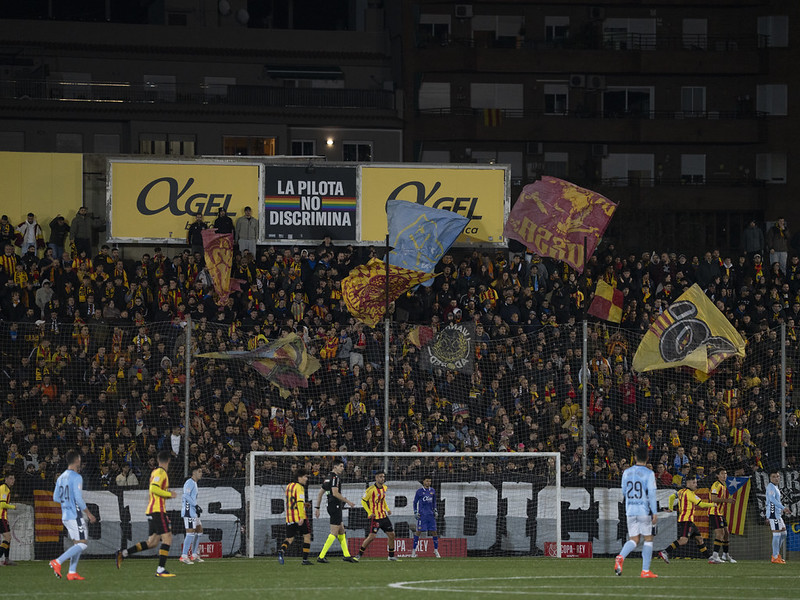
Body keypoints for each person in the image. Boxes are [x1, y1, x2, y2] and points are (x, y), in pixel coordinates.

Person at [115, 450, 177, 577]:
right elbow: (153, 488)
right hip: (157, 510)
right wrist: (169, 494)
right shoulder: (160, 472)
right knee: (168, 538)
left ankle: (124, 553)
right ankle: (160, 570)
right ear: (168, 460)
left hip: (153, 510)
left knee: (152, 543)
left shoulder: (155, 472)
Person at [49, 450, 98, 580]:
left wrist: (66, 502)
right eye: (80, 459)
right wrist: (89, 513)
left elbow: (55, 497)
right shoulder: (76, 477)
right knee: (83, 543)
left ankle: (72, 572)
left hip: (65, 515)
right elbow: (78, 498)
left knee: (77, 544)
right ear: (77, 460)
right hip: (75, 515)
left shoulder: (61, 477)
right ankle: (57, 561)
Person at [614, 446, 658, 578]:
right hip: (643, 510)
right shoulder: (649, 473)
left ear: (635, 457)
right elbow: (651, 493)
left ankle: (620, 556)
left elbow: (623, 492)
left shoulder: (626, 472)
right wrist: (654, 512)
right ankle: (645, 571)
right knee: (648, 538)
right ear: (647, 458)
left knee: (634, 539)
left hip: (630, 510)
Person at [659, 472, 713, 563]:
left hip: (688, 521)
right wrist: (714, 504)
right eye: (694, 483)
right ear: (688, 483)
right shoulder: (690, 494)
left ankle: (710, 558)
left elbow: (671, 497)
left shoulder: (680, 492)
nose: (696, 485)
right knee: (683, 540)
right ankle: (664, 552)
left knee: (699, 539)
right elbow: (702, 504)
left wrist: (671, 508)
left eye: (696, 483)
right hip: (686, 521)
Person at [314, 459, 358, 563]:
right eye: (341, 466)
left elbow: (320, 494)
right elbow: (335, 493)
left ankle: (346, 555)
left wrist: (317, 508)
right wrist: (348, 501)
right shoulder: (335, 478)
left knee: (341, 530)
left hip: (331, 506)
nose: (343, 468)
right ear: (335, 467)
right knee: (334, 532)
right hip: (335, 506)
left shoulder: (327, 478)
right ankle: (321, 556)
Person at [358, 470, 398, 561]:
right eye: (380, 476)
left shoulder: (384, 488)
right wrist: (369, 512)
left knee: (392, 535)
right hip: (375, 518)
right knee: (372, 537)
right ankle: (359, 554)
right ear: (376, 478)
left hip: (384, 516)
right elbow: (363, 501)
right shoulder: (370, 490)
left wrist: (387, 509)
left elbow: (382, 500)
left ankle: (391, 556)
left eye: (383, 476)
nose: (382, 478)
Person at [278, 468, 312, 565]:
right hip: (299, 517)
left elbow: (292, 502)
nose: (306, 479)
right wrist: (301, 517)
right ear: (299, 477)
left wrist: (305, 504)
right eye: (305, 477)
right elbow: (299, 503)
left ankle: (281, 550)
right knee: (307, 536)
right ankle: (305, 560)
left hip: (289, 517)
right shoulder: (300, 487)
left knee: (290, 538)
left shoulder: (289, 486)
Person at [709, 467, 736, 563]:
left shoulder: (723, 485)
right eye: (722, 473)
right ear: (717, 475)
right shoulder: (716, 485)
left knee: (726, 533)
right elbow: (713, 498)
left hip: (720, 513)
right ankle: (714, 556)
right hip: (714, 512)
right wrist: (727, 500)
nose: (724, 475)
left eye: (725, 473)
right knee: (720, 534)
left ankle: (725, 555)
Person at [180, 465, 205, 565]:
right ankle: (184, 556)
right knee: (190, 533)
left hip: (193, 511)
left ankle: (194, 555)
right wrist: (196, 505)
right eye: (199, 471)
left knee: (199, 531)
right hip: (188, 511)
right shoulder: (189, 482)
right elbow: (185, 495)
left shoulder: (194, 483)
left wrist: (196, 508)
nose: (201, 473)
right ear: (194, 472)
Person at [411, 475, 440, 558]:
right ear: (423, 481)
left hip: (431, 515)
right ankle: (414, 551)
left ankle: (436, 550)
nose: (428, 482)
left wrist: (435, 510)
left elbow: (434, 502)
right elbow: (415, 502)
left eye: (430, 481)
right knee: (418, 532)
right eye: (427, 481)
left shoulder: (432, 491)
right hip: (422, 515)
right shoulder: (419, 491)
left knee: (434, 532)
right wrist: (415, 512)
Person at [765, 470, 789, 563]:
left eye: (777, 476)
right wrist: (783, 508)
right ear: (770, 478)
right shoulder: (771, 487)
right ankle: (775, 557)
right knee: (777, 534)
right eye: (774, 477)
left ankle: (776, 554)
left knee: (783, 533)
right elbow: (771, 499)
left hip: (777, 514)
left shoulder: (775, 487)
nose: (776, 478)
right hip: (773, 513)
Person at [0, 471, 16, 566]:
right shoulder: (4, 489)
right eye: (10, 478)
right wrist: (13, 507)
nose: (12, 480)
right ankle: (5, 559)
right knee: (7, 537)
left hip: (3, 516)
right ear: (5, 479)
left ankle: (6, 559)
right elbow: (2, 504)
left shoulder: (6, 489)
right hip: (1, 517)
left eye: (13, 478)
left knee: (8, 537)